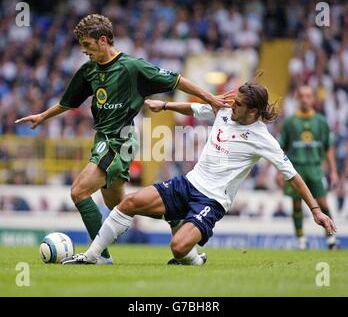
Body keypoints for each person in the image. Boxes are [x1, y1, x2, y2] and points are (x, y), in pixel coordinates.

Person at [14, 14, 229, 264]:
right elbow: (68, 103)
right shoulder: (89, 71)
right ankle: (174, 215)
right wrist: (43, 115)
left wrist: (210, 99)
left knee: (79, 192)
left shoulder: (132, 67)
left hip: (119, 142)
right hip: (102, 141)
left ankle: (99, 256)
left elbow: (178, 80)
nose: (84, 51)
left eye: (88, 45)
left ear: (103, 40)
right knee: (124, 206)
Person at [62, 81, 336, 265]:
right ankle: (94, 256)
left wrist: (315, 210)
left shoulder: (263, 138)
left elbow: (293, 175)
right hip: (188, 183)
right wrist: (165, 105)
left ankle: (194, 257)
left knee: (178, 248)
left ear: (253, 111)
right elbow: (196, 108)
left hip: (212, 201)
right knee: (128, 203)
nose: (232, 105)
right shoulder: (226, 111)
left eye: (239, 103)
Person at [276, 85, 339, 250]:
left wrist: (333, 171)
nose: (305, 99)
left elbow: (328, 147)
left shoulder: (321, 121)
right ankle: (301, 240)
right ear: (297, 98)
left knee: (323, 203)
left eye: (308, 96)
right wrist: (278, 172)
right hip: (296, 168)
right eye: (302, 96)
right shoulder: (290, 122)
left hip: (315, 168)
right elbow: (281, 148)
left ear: (313, 99)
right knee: (296, 204)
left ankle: (331, 238)